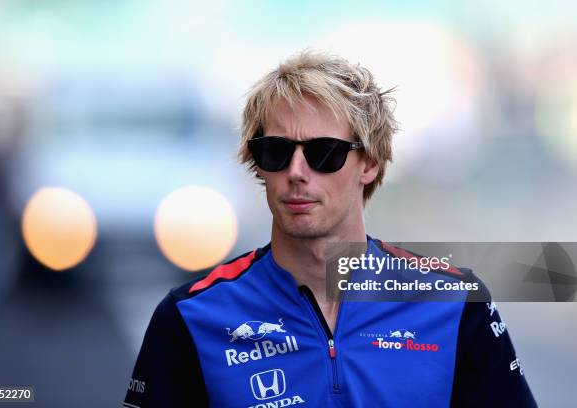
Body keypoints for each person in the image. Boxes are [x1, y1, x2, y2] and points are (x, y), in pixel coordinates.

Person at [123, 50, 537, 407]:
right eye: (276, 151)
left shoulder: (455, 303)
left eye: (325, 153)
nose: (297, 172)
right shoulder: (191, 315)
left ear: (370, 163)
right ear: (257, 165)